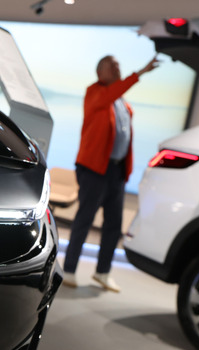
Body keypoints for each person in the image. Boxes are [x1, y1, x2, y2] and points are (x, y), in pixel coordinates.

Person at [62, 54, 160, 292]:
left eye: (118, 65)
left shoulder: (122, 103)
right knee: (84, 219)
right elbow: (111, 94)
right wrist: (140, 73)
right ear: (100, 72)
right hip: (94, 170)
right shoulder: (95, 93)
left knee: (114, 225)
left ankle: (103, 272)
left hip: (115, 171)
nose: (117, 68)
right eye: (112, 66)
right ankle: (69, 270)